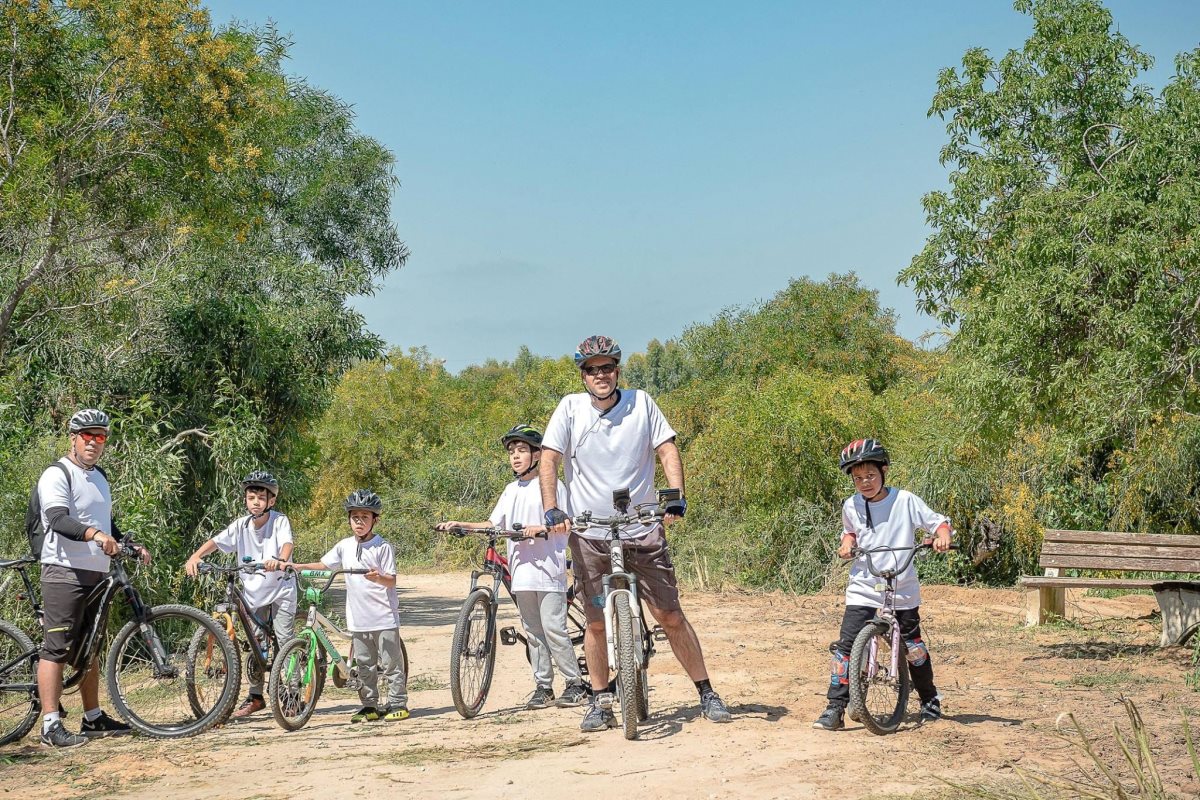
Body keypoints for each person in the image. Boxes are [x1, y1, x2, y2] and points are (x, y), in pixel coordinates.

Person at [540, 335, 732, 732]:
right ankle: (601, 700)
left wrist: (676, 495)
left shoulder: (641, 402)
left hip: (641, 526)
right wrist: (551, 508)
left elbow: (666, 448)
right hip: (590, 531)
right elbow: (549, 458)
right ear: (583, 376)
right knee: (595, 621)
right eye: (592, 370)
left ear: (617, 371)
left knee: (669, 615)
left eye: (607, 367)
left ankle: (706, 692)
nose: (601, 375)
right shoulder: (570, 409)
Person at [436, 424, 588, 710]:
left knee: (554, 627)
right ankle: (543, 686)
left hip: (547, 569)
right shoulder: (510, 490)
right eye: (512, 452)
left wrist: (541, 528)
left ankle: (575, 683)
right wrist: (461, 524)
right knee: (532, 630)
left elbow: (566, 523)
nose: (516, 457)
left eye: (522, 450)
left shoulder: (551, 486)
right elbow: (493, 523)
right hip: (521, 571)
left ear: (536, 454)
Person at [812, 438, 953, 731]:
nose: (864, 482)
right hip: (864, 584)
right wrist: (846, 545)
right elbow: (849, 533)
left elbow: (938, 523)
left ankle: (929, 700)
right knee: (846, 648)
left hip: (902, 586)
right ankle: (834, 708)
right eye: (857, 478)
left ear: (884, 471)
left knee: (913, 647)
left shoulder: (905, 501)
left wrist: (942, 537)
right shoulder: (850, 505)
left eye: (871, 476)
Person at [35, 409, 150, 748]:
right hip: (63, 572)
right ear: (73, 438)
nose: (94, 442)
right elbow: (58, 519)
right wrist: (95, 536)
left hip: (96, 572)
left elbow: (105, 523)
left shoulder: (99, 476)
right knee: (56, 648)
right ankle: (50, 726)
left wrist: (128, 543)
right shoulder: (57, 474)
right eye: (88, 436)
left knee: (90, 647)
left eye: (101, 437)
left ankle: (93, 717)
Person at [286, 490, 409, 723]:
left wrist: (378, 578)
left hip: (384, 617)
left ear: (375, 520)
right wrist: (298, 566)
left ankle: (398, 702)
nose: (359, 522)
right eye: (355, 517)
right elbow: (324, 564)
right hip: (358, 618)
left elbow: (391, 580)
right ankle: (369, 705)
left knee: (391, 663)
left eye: (365, 517)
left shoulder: (382, 547)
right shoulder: (344, 546)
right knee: (364, 664)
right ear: (349, 519)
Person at [184, 470, 296, 719]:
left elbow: (287, 544)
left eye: (260, 497)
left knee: (284, 638)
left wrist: (280, 559)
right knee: (256, 644)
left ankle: (292, 695)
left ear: (272, 500)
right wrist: (196, 556)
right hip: (254, 592)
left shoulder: (279, 521)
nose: (255, 502)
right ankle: (256, 697)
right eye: (251, 497)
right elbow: (216, 541)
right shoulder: (241, 525)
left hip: (280, 589)